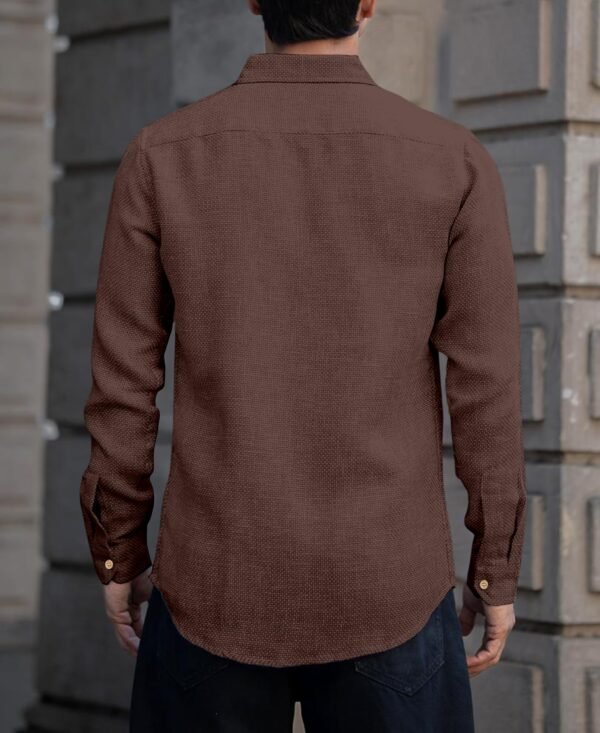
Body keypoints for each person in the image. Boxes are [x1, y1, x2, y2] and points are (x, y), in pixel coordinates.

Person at [78, 0, 527, 730]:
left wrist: (118, 550)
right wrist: (494, 567)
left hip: (214, 582)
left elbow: (123, 384)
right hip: (388, 584)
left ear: (255, 1)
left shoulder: (162, 154)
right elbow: (487, 388)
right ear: (368, 3)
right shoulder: (453, 159)